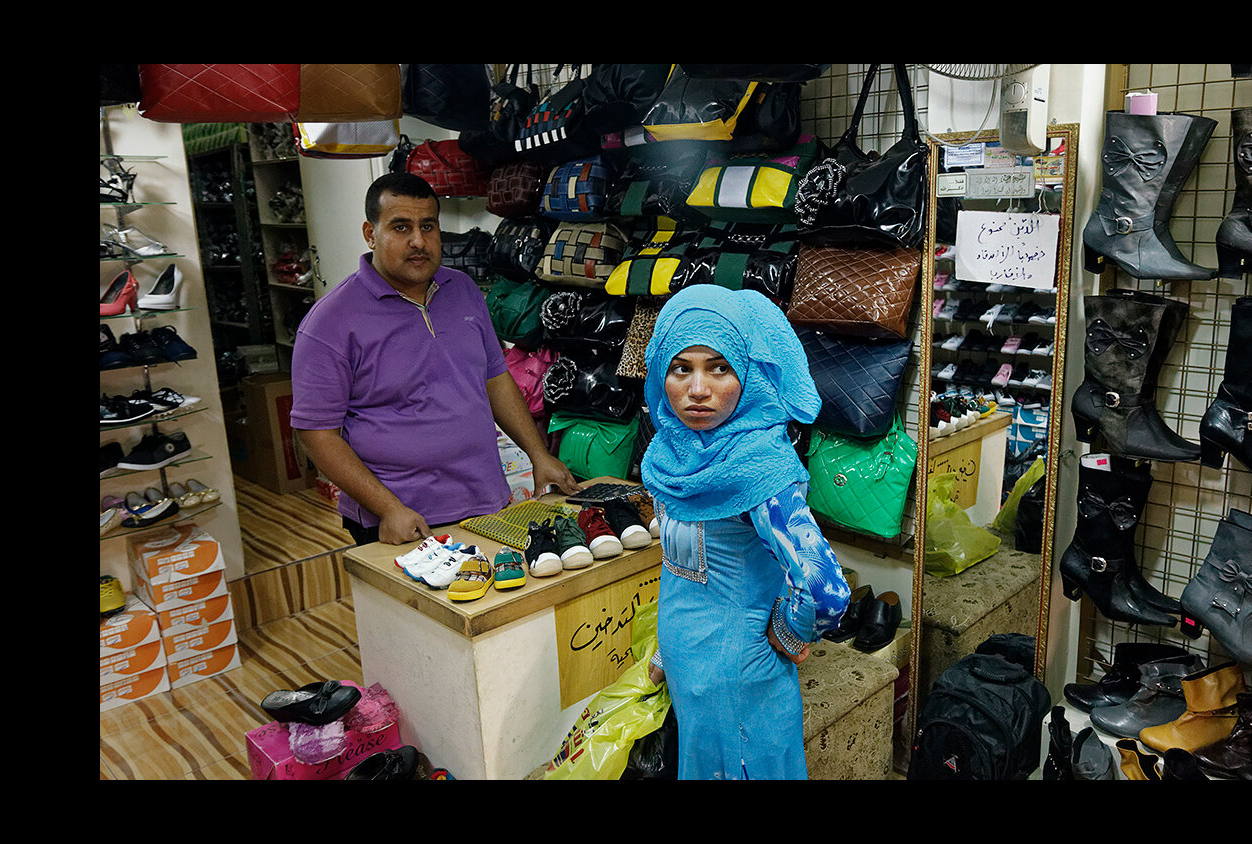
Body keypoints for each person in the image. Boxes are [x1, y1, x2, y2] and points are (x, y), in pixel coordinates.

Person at [290, 172, 580, 547]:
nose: (418, 241)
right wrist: (389, 508)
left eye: (428, 226)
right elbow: (316, 433)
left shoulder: (462, 290)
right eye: (400, 227)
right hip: (401, 520)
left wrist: (538, 454)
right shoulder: (330, 323)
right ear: (370, 233)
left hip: (486, 501)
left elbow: (495, 378)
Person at [639, 284, 851, 779]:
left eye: (719, 367)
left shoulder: (760, 468)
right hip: (690, 671)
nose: (697, 389)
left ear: (748, 373)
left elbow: (826, 590)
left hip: (742, 677)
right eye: (680, 368)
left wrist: (786, 632)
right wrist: (665, 652)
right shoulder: (674, 455)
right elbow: (683, 570)